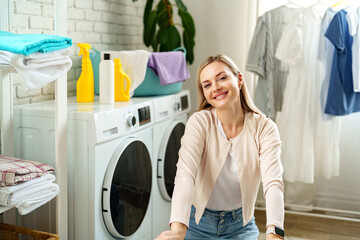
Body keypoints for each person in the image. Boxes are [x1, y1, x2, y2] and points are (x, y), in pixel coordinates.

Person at [155, 54, 284, 240]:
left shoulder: (264, 128)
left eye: (222, 78)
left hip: (241, 226)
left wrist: (275, 233)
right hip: (197, 223)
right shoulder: (200, 122)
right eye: (207, 84)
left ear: (239, 79)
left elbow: (273, 184)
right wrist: (177, 230)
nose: (215, 87)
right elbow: (185, 174)